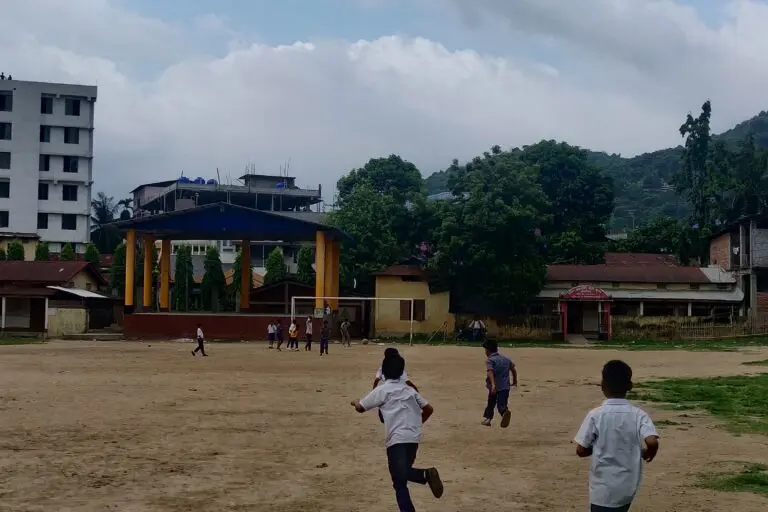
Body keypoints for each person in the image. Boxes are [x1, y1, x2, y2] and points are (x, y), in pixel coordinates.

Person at [351, 354, 443, 511]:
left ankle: (426, 475)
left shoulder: (382, 390)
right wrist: (418, 424)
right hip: (413, 438)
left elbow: (361, 407)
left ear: (383, 373)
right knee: (402, 475)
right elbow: (429, 409)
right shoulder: (409, 390)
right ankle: (423, 477)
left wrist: (355, 402)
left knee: (399, 481)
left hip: (396, 439)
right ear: (402, 373)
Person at [574, 360, 660, 512]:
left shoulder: (596, 415)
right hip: (628, 484)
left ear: (602, 385)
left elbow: (581, 450)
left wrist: (596, 446)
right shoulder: (639, 414)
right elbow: (652, 441)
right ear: (630, 386)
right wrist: (648, 453)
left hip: (602, 485)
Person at [373, 347, 419, 424]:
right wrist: (415, 390)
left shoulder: (382, 368)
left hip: (385, 393)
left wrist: (374, 391)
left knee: (384, 417)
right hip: (399, 393)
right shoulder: (399, 369)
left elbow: (376, 380)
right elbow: (408, 382)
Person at [481, 340, 516, 427]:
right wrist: (515, 381)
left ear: (488, 350)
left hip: (494, 387)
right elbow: (513, 370)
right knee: (502, 403)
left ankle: (489, 418)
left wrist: (493, 385)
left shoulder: (490, 360)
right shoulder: (506, 359)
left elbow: (490, 372)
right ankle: (504, 412)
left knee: (491, 402)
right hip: (505, 387)